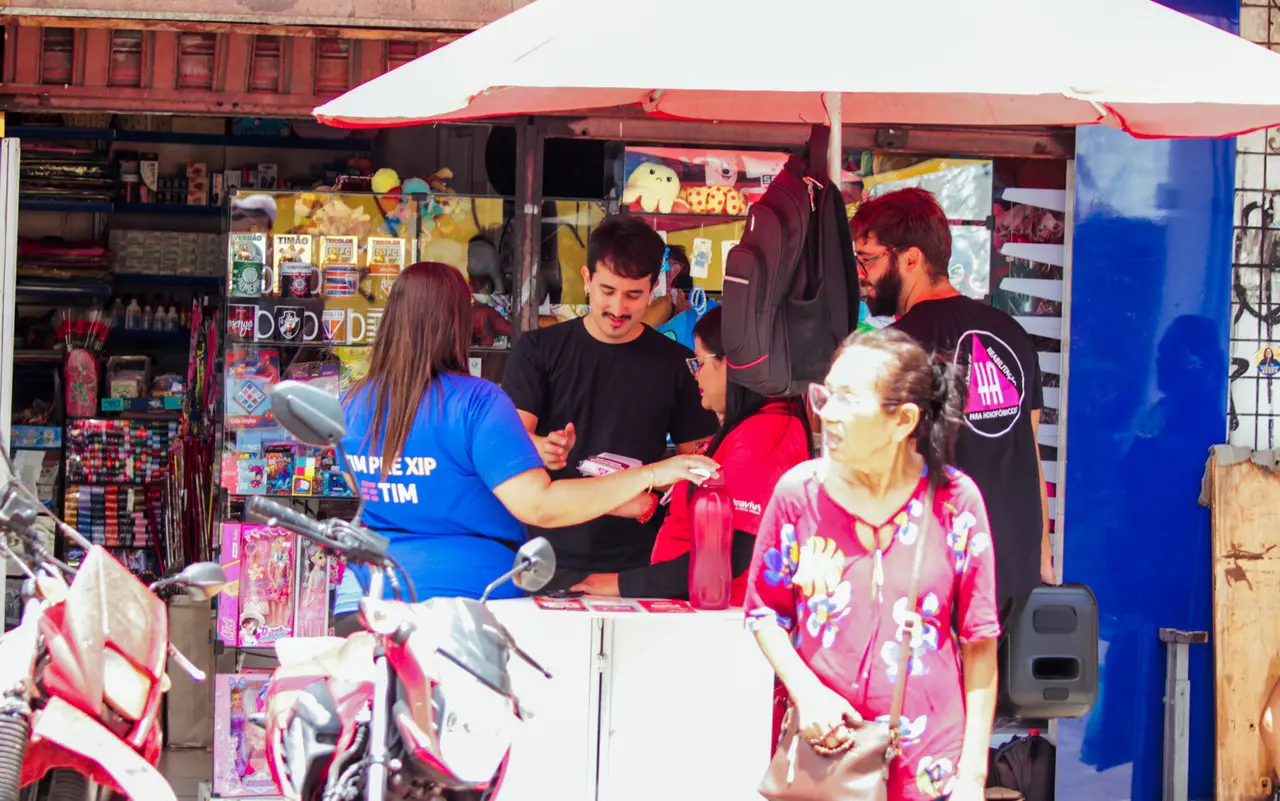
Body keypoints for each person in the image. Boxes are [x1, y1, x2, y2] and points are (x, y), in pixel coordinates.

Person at [331, 262, 719, 625]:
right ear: (456, 322)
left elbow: (397, 486)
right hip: (472, 601)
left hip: (370, 593)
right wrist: (651, 473)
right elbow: (540, 506)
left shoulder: (353, 404)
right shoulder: (476, 403)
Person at [745, 328, 999, 801]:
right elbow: (764, 613)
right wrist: (808, 693)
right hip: (826, 757)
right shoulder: (799, 495)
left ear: (903, 420)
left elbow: (980, 643)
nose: (828, 414)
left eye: (847, 400)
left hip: (931, 767)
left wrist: (973, 778)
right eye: (826, 395)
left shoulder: (956, 503)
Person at [851, 186, 1052, 613]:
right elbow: (1028, 449)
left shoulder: (893, 349)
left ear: (910, 259)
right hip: (1009, 572)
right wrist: (1043, 552)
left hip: (931, 576)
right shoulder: (1011, 333)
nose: (860, 274)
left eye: (867, 259)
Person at [502, 217, 720, 589]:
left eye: (633, 295)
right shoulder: (538, 350)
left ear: (654, 288)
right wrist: (542, 447)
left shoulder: (675, 363)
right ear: (587, 278)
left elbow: (699, 465)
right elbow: (507, 445)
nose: (617, 307)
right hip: (543, 554)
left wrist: (655, 494)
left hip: (634, 563)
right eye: (607, 290)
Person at [569, 306, 812, 600]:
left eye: (699, 363)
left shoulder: (768, 430)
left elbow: (734, 554)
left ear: (732, 364)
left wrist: (622, 585)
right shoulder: (754, 425)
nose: (695, 376)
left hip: (724, 613)